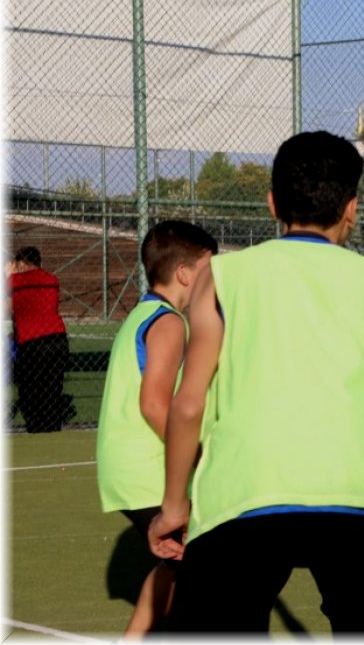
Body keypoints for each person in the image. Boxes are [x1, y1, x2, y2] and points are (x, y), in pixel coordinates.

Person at [146, 131, 364, 636]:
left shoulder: (223, 275)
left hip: (241, 494)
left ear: (272, 203)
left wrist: (174, 506)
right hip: (354, 498)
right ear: (352, 209)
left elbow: (188, 405)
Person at [95, 220, 218, 637]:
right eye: (209, 269)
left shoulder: (144, 314)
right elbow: (153, 404)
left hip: (127, 467)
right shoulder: (169, 323)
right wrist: (197, 456)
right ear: (184, 273)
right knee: (204, 567)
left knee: (179, 565)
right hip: (148, 468)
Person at [7, 246, 73, 432]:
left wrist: (8, 275)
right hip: (57, 339)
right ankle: (52, 426)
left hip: (32, 342)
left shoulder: (14, 281)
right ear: (40, 262)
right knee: (52, 388)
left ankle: (36, 426)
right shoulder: (51, 279)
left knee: (29, 389)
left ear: (20, 264)